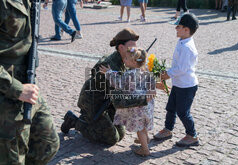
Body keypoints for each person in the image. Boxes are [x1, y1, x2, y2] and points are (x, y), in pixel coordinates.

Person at [61, 28, 149, 146]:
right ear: (121, 47)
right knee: (112, 139)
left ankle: (92, 122)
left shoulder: (125, 59)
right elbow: (119, 101)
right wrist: (143, 99)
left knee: (121, 134)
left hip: (108, 101)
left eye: (136, 48)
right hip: (93, 103)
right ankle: (75, 121)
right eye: (132, 48)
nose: (135, 51)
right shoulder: (109, 66)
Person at [0, 0, 60, 165]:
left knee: (47, 145)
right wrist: (15, 88)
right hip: (7, 93)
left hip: (28, 82)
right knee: (13, 160)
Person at [154, 13, 199, 147]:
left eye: (178, 27)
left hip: (186, 86)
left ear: (186, 30)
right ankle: (168, 129)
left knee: (183, 112)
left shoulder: (187, 47)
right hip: (179, 84)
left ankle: (192, 135)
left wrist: (166, 74)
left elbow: (181, 69)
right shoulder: (182, 41)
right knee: (171, 108)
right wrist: (168, 73)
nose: (175, 29)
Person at [99, 48, 156, 156]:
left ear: (134, 62)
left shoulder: (129, 74)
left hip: (137, 105)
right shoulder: (146, 70)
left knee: (139, 128)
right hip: (147, 104)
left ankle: (145, 149)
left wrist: (108, 73)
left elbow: (119, 83)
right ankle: (146, 139)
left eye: (126, 58)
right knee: (143, 124)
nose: (124, 59)